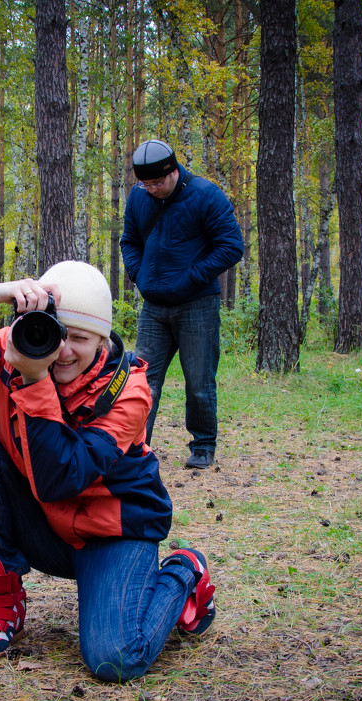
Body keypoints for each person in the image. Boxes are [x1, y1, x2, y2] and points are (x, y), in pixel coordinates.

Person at [0, 260, 216, 683]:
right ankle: (1, 603)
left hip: (112, 536)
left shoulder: (129, 393)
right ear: (35, 325)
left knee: (115, 659)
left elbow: (61, 479)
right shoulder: (16, 351)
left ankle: (184, 572)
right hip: (47, 527)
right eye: (56, 331)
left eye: (81, 338)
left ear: (103, 340)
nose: (63, 349)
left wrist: (33, 382)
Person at [119, 139, 243, 470]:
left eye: (158, 182)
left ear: (174, 171)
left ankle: (202, 446)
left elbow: (231, 246)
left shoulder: (205, 195)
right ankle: (136, 446)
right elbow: (129, 241)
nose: (152, 189)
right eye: (146, 184)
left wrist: (192, 277)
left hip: (197, 305)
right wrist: (139, 274)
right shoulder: (139, 198)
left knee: (199, 381)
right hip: (154, 308)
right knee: (142, 380)